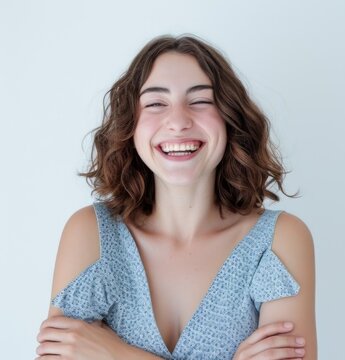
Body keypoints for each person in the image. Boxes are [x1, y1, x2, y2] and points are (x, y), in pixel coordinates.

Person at [36, 35, 317, 360]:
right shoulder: (90, 233)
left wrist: (117, 354)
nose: (179, 121)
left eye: (200, 101)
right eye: (156, 103)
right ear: (131, 124)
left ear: (229, 118)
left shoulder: (280, 240)